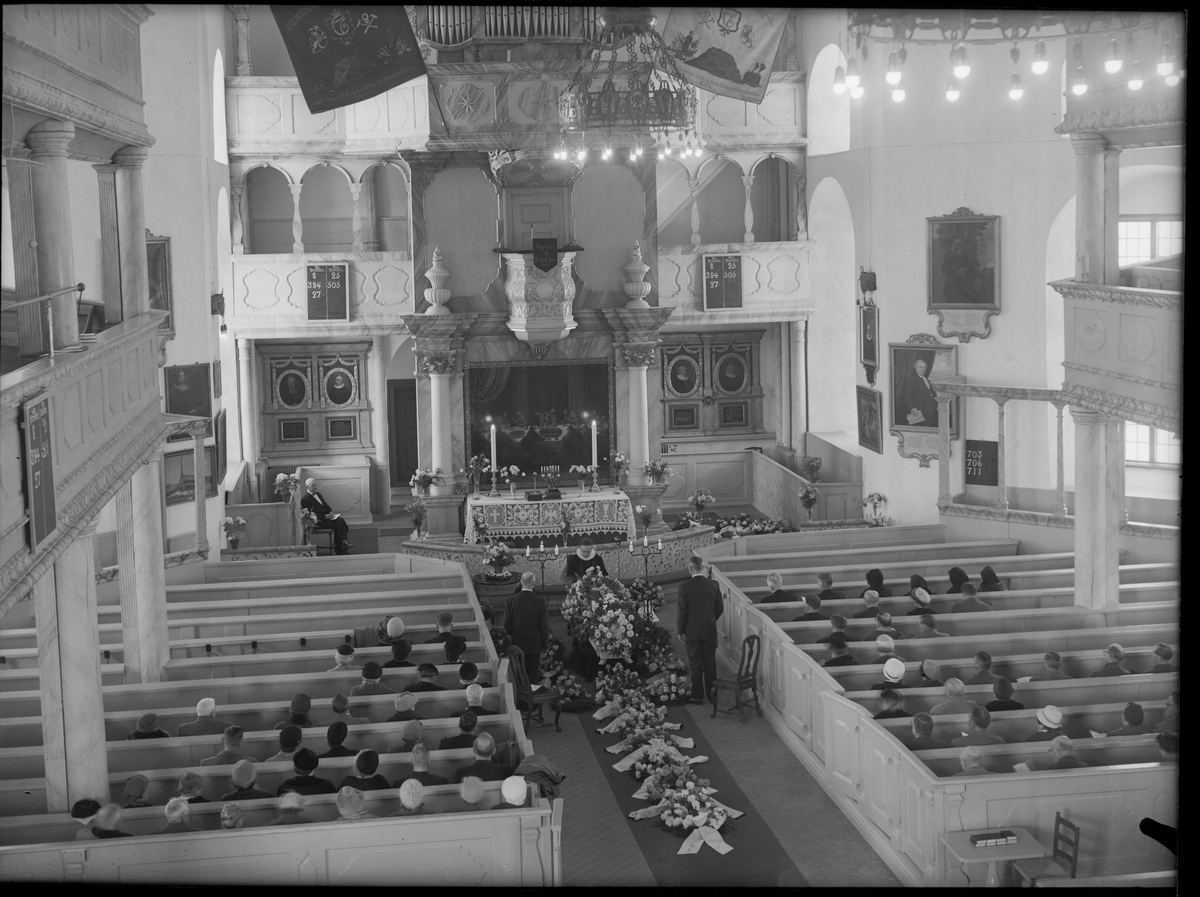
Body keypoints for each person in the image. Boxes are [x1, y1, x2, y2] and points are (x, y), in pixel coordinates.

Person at [676, 556, 724, 704]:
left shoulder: (684, 587)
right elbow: (719, 608)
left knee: (695, 663)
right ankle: (712, 694)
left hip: (692, 632)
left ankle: (697, 695)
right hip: (709, 630)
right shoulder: (714, 584)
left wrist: (681, 631)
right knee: (710, 662)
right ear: (702, 567)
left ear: (690, 568)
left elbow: (682, 611)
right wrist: (709, 620)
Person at [506, 572, 550, 687]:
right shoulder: (540, 601)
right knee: (533, 674)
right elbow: (544, 626)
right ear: (534, 583)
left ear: (521, 583)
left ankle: (521, 701)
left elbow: (507, 624)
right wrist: (545, 644)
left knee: (520, 673)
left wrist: (515, 634)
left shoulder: (510, 600)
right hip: (535, 644)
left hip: (518, 642)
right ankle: (532, 701)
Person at [301, 477, 351, 554]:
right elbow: (309, 515)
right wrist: (324, 516)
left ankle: (342, 545)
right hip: (318, 521)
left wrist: (330, 511)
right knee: (339, 524)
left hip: (327, 517)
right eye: (313, 485)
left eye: (316, 485)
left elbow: (325, 505)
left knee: (341, 521)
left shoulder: (318, 494)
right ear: (307, 486)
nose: (315, 487)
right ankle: (341, 547)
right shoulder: (305, 499)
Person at [942, 236, 985, 304]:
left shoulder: (964, 257)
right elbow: (945, 272)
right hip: (953, 285)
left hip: (965, 285)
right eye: (957, 244)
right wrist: (957, 272)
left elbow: (970, 269)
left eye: (960, 244)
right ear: (953, 246)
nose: (959, 246)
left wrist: (976, 278)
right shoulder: (948, 257)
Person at [900, 356, 939, 427]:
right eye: (920, 367)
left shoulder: (926, 379)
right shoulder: (912, 380)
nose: (922, 369)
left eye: (924, 367)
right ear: (916, 369)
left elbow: (932, 394)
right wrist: (912, 408)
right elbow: (906, 396)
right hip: (921, 412)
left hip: (932, 410)